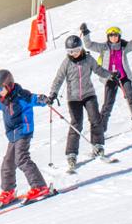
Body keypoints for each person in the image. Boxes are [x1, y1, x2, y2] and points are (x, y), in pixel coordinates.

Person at [0, 69, 50, 209]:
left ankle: (39, 186)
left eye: (0, 88)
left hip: (24, 131)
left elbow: (33, 98)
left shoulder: (21, 95)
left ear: (9, 84)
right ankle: (8, 191)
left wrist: (43, 99)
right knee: (7, 163)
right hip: (12, 135)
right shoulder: (0, 99)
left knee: (21, 159)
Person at [48, 35, 118, 170]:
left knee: (95, 119)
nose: (73, 54)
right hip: (73, 99)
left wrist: (110, 75)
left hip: (89, 95)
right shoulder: (66, 63)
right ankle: (71, 154)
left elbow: (98, 70)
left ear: (81, 48)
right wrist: (53, 94)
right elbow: (59, 79)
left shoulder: (88, 59)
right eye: (70, 52)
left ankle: (98, 145)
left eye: (76, 50)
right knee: (76, 124)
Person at [80, 22, 132, 133]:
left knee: (131, 96)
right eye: (111, 36)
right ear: (108, 37)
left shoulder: (124, 47)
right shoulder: (104, 47)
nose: (113, 38)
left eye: (115, 36)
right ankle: (102, 128)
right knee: (108, 104)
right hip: (110, 78)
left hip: (124, 77)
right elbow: (89, 45)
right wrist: (85, 33)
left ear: (119, 36)